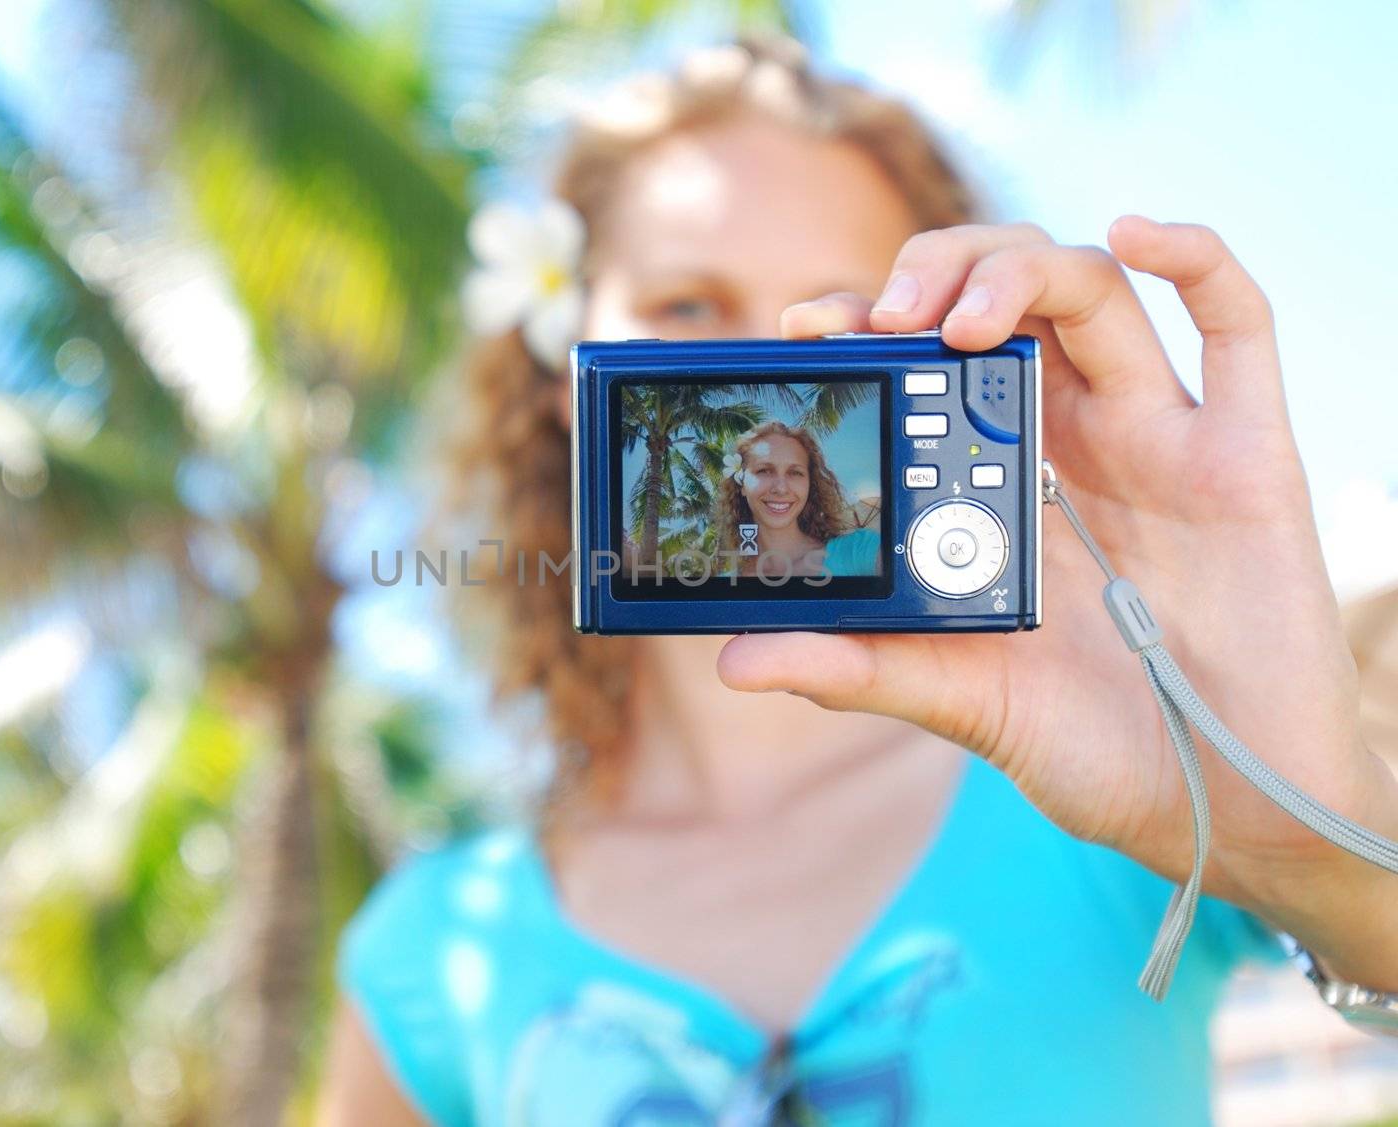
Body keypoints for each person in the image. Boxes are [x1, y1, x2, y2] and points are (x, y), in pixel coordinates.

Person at [320, 39, 1398, 1126]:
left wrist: (1321, 851)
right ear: (566, 373)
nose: (760, 368)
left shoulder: (1127, 781)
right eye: (688, 305)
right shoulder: (429, 951)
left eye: (834, 313)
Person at [712, 420, 881, 579]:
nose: (781, 488)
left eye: (795, 473)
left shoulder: (859, 552)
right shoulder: (723, 587)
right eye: (764, 470)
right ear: (741, 484)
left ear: (810, 483)